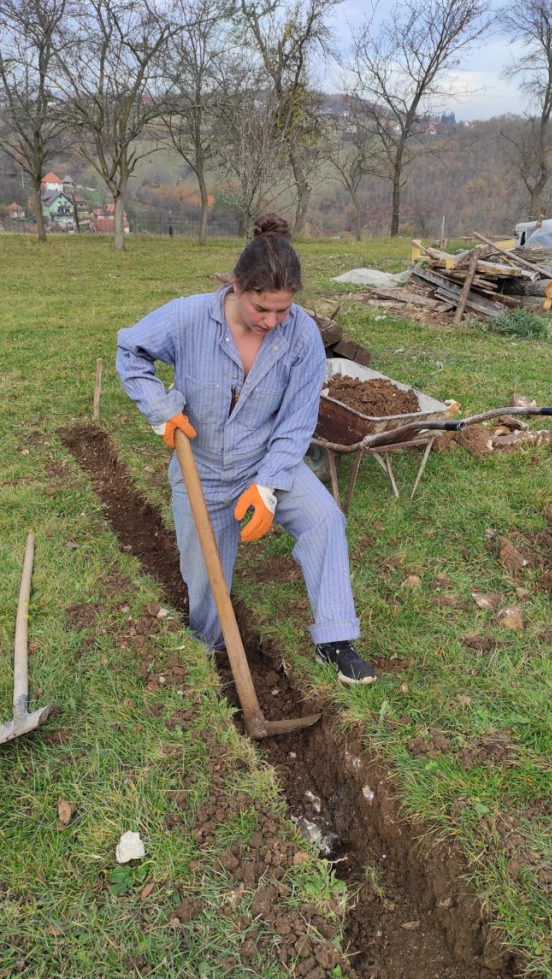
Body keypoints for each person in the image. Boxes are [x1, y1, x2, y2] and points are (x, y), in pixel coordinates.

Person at [116, 213, 376, 684]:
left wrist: (269, 486)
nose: (273, 321)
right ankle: (211, 648)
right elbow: (129, 351)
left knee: (325, 519)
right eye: (262, 309)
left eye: (283, 310)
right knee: (206, 579)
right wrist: (160, 408)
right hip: (204, 469)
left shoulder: (300, 337)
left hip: (268, 460)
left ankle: (336, 639)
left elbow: (298, 422)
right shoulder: (189, 317)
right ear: (237, 286)